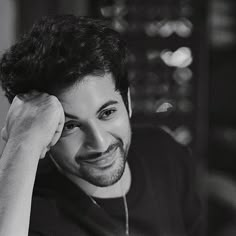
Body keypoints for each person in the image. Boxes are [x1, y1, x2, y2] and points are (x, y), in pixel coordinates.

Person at [0, 15, 204, 236]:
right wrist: (22, 143)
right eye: (70, 126)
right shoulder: (29, 209)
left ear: (127, 102)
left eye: (107, 113)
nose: (99, 142)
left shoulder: (166, 155)